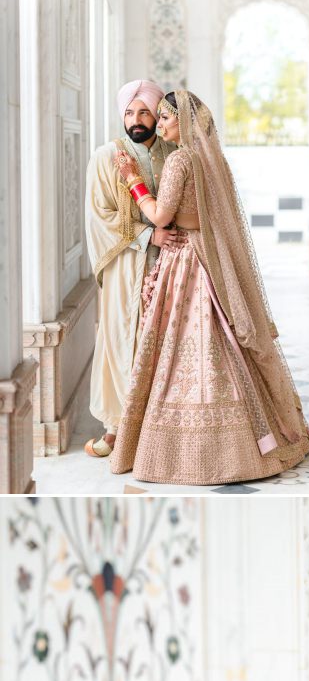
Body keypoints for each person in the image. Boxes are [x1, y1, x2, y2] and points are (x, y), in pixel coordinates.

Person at [108, 90, 309, 485]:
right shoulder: (214, 159)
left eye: (167, 118)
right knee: (227, 346)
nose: (163, 123)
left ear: (183, 122)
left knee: (180, 347)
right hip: (213, 261)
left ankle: (190, 453)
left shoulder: (180, 160)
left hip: (186, 261)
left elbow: (162, 216)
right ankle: (267, 438)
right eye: (162, 118)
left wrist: (134, 182)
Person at [84, 80, 177, 458]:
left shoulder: (175, 152)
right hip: (128, 265)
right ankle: (117, 429)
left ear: (158, 115)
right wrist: (146, 237)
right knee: (126, 339)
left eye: (143, 112)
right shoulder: (108, 156)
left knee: (169, 344)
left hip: (173, 264)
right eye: (128, 112)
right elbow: (99, 216)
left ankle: (162, 431)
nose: (135, 120)